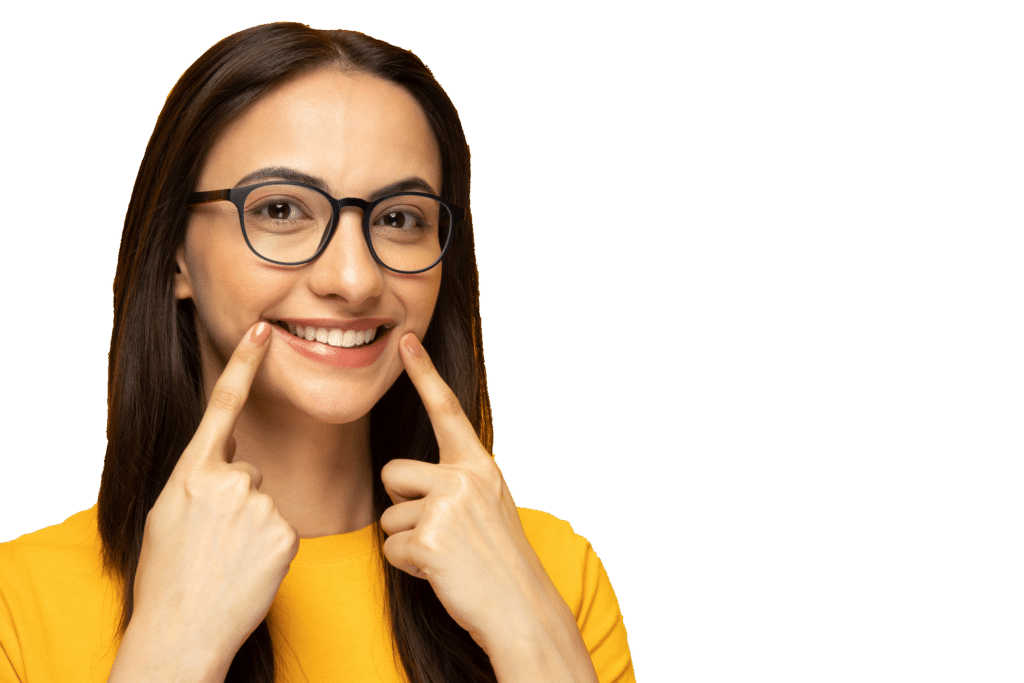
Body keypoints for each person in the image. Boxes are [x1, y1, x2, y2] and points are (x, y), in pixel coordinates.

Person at [0, 22, 635, 683]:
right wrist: (171, 649)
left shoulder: (551, 573)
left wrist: (530, 632)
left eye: (399, 218)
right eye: (280, 209)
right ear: (177, 255)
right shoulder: (17, 604)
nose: (355, 280)